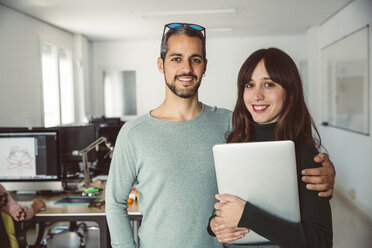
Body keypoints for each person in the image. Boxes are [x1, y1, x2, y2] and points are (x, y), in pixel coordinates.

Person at [106, 23, 335, 248]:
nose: (186, 68)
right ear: (160, 64)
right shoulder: (134, 133)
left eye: (195, 59)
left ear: (204, 66)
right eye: (176, 58)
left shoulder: (234, 123)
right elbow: (115, 202)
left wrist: (325, 170)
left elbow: (279, 146)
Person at [209, 48, 333, 248]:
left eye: (269, 84)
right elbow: (225, 206)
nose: (257, 95)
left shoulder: (305, 154)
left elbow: (321, 242)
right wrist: (214, 223)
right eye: (249, 85)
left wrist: (247, 215)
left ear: (289, 92)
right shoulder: (234, 144)